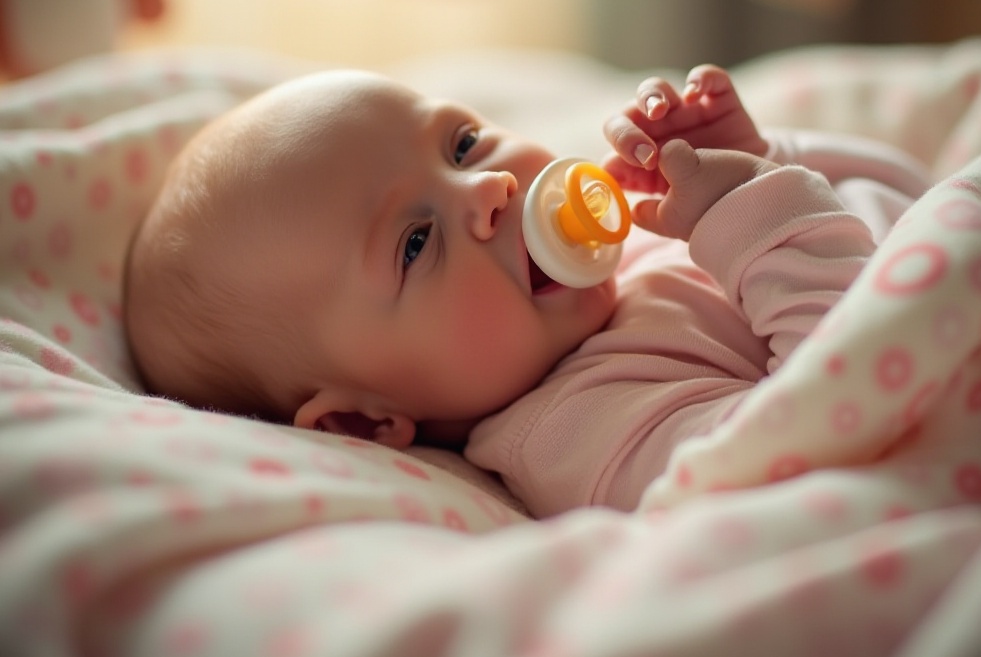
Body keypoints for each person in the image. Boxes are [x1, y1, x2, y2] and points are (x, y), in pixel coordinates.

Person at [123, 64, 931, 516]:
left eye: (464, 143)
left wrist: (759, 154)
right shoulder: (578, 430)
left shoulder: (642, 234)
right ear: (360, 420)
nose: (490, 191)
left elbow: (906, 197)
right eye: (414, 242)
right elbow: (838, 416)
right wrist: (761, 213)